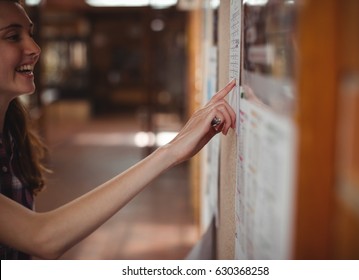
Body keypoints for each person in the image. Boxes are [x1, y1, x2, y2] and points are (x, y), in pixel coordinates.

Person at [0, 0, 236, 260]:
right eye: (12, 36)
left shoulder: (12, 134)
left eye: (30, 34)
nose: (34, 48)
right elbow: (42, 238)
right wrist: (170, 151)